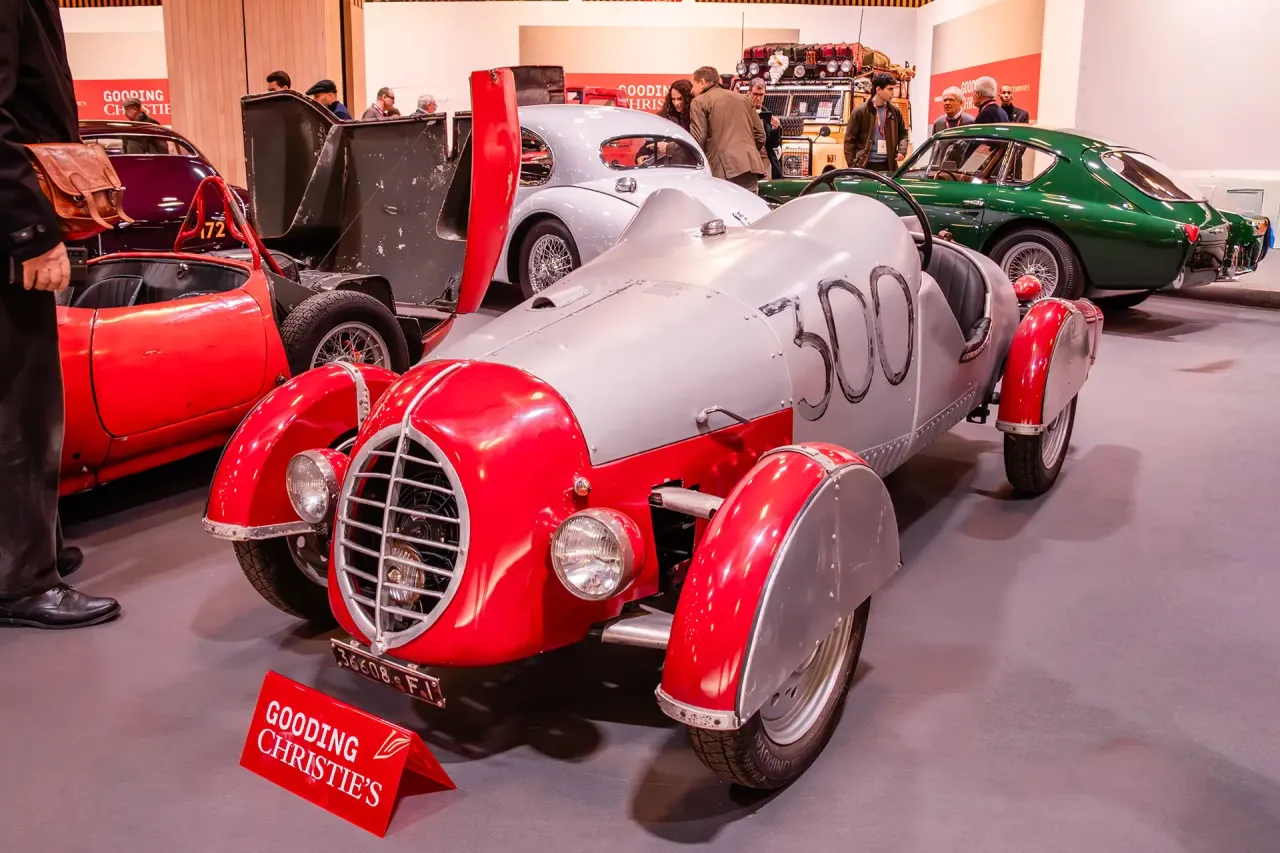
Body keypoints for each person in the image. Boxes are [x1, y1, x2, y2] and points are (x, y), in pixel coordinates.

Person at [0, 0, 121, 629]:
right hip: (8, 236)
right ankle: (21, 581)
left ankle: (29, 547)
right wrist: (31, 232)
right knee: (22, 408)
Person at [688, 66, 765, 193]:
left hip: (723, 172)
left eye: (693, 85)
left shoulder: (699, 101)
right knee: (750, 205)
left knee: (723, 206)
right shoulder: (744, 100)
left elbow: (697, 139)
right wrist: (743, 153)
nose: (692, 90)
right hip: (751, 168)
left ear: (702, 82)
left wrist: (669, 148)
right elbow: (760, 136)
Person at [844, 72, 908, 173]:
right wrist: (852, 165)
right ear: (878, 89)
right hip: (865, 166)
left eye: (893, 89)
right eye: (890, 89)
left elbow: (903, 134)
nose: (893, 93)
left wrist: (902, 151)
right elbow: (849, 140)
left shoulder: (895, 112)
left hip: (888, 165)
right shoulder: (860, 112)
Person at [748, 78, 783, 179]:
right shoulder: (742, 112)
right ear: (749, 93)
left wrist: (775, 129)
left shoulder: (767, 115)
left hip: (765, 159)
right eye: (755, 94)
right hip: (748, 159)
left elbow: (774, 144)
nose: (758, 98)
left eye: (761, 95)